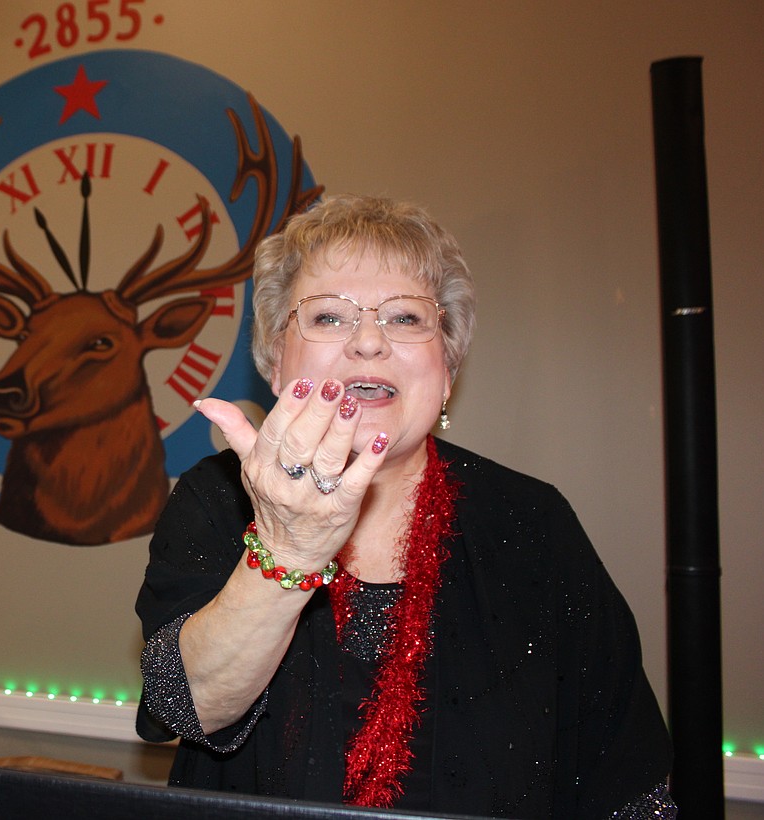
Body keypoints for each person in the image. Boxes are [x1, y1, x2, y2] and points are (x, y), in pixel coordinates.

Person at [136, 195, 676, 819]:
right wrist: (288, 550)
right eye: (330, 318)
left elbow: (628, 784)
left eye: (404, 319)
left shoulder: (534, 524)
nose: (369, 342)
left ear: (446, 370)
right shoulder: (217, 497)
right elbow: (183, 704)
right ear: (276, 364)